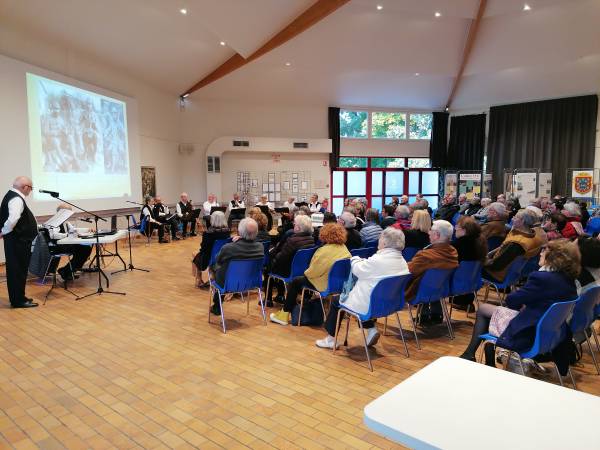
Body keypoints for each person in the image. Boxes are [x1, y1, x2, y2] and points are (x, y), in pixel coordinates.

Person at [460, 239, 579, 365]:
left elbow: (512, 300)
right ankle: (480, 357)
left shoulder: (542, 278)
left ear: (555, 256)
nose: (540, 253)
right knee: (493, 311)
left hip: (527, 332)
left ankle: (472, 355)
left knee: (484, 309)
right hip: (550, 334)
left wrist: (522, 304)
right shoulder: (569, 280)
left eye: (544, 250)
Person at [315, 227, 410, 349]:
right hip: (390, 303)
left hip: (371, 305)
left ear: (385, 243)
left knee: (336, 301)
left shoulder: (378, 260)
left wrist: (355, 259)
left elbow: (357, 270)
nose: (378, 241)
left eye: (380, 238)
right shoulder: (402, 261)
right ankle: (370, 329)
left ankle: (330, 339)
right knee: (362, 296)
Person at [270, 223, 351, 325]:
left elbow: (312, 273)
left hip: (324, 284)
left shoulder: (324, 250)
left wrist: (305, 272)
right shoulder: (344, 248)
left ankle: (284, 314)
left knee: (296, 281)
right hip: (338, 285)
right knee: (299, 281)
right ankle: (291, 310)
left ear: (325, 234)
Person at [405, 220, 459, 323]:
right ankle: (432, 314)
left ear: (437, 235)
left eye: (431, 230)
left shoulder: (426, 255)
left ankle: (425, 315)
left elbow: (408, 271)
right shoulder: (453, 252)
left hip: (418, 292)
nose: (429, 232)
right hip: (439, 290)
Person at [209, 218, 264, 315]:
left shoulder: (229, 247)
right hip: (251, 282)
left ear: (240, 232)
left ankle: (217, 305)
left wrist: (235, 243)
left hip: (229, 283)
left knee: (215, 267)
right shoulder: (260, 246)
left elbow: (218, 259)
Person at [0, 176, 38, 308]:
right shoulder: (16, 198)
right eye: (31, 188)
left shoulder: (11, 196)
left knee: (17, 270)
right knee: (18, 270)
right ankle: (18, 300)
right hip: (18, 241)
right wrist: (4, 231)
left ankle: (19, 297)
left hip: (16, 240)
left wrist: (4, 231)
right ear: (25, 187)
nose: (30, 191)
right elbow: (13, 219)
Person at [483, 209, 545, 283]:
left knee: (468, 264)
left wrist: (480, 260)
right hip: (511, 275)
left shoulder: (517, 243)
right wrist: (488, 254)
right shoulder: (531, 236)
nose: (512, 219)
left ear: (522, 221)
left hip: (496, 274)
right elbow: (502, 247)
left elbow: (496, 266)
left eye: (515, 217)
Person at [267, 215, 315, 304]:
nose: (293, 225)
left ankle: (269, 299)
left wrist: (272, 256)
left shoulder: (292, 240)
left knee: (268, 267)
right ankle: (280, 296)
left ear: (298, 228)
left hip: (289, 272)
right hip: (302, 271)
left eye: (295, 224)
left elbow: (280, 258)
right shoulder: (312, 239)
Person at [45, 203, 93, 281]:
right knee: (84, 249)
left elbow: (74, 230)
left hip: (65, 245)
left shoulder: (65, 222)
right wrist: (67, 235)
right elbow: (53, 235)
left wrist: (87, 229)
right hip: (57, 247)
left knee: (86, 248)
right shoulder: (53, 222)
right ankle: (67, 271)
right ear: (62, 212)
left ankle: (67, 271)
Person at [451, 216, 488, 309]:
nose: (455, 229)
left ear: (464, 230)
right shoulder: (480, 241)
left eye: (456, 227)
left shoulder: (458, 244)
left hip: (457, 282)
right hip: (473, 282)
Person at [193, 211, 230, 288]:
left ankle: (199, 280)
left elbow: (203, 248)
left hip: (210, 258)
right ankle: (212, 277)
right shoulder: (227, 231)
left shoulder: (208, 233)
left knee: (194, 255)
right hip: (223, 256)